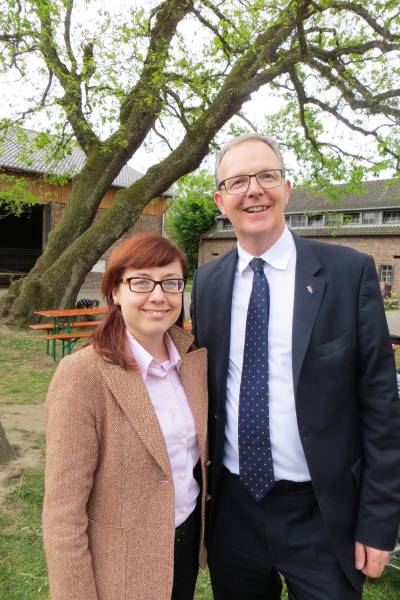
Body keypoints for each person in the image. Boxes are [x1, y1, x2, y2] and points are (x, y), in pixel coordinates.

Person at [190, 133, 400, 599]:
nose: (254, 190)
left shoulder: (348, 273)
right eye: (238, 181)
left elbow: (382, 405)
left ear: (286, 187)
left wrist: (380, 520)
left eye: (266, 175)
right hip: (235, 510)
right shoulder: (207, 282)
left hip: (323, 515)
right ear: (220, 200)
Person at [43, 233, 208, 600]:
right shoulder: (82, 375)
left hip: (183, 551)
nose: (158, 295)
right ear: (116, 291)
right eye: (141, 282)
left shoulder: (192, 362)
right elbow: (63, 514)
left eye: (171, 283)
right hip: (120, 568)